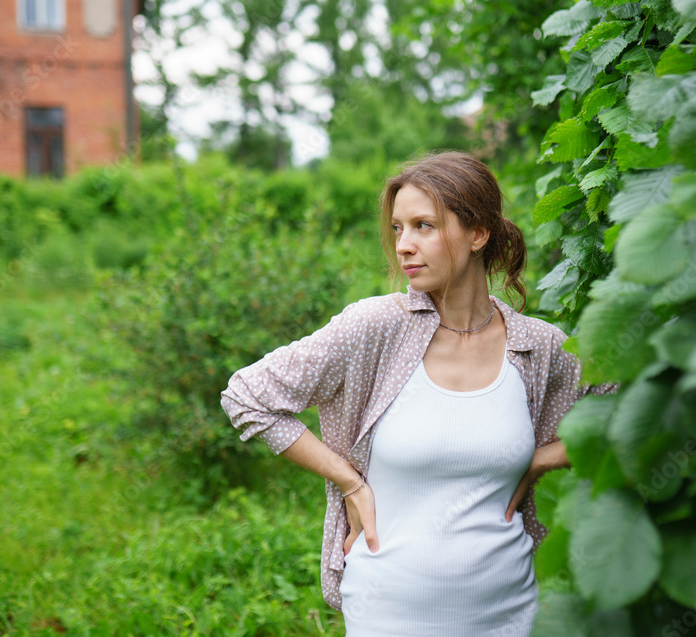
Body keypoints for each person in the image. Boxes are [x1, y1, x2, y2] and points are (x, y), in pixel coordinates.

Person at [219, 151, 615, 636]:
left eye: (423, 226)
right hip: (388, 613)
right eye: (398, 228)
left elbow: (623, 413)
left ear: (478, 234)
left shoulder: (537, 347)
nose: (403, 245)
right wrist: (348, 481)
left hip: (510, 613)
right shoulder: (375, 328)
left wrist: (543, 459)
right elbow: (246, 396)